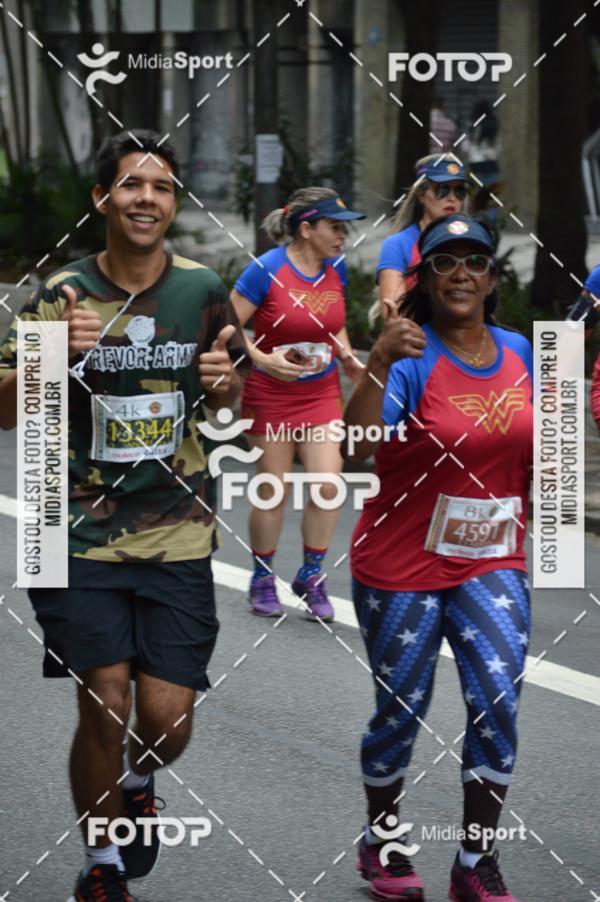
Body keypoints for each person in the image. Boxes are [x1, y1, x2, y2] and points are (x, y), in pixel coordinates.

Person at [0, 130, 248, 902]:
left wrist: (226, 386)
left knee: (166, 720)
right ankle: (101, 866)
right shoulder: (57, 294)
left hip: (177, 526)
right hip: (70, 527)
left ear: (175, 203)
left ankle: (138, 780)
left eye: (163, 187)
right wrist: (46, 353)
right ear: (102, 199)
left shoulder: (203, 287)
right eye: (132, 185)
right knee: (106, 697)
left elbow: (227, 397)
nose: (148, 198)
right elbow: (5, 412)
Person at [344, 214, 532, 902]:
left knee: (497, 697)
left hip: (492, 561)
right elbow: (357, 447)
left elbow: (551, 457)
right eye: (445, 262)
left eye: (475, 262)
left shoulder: (526, 352)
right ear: (423, 278)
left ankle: (474, 861)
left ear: (491, 278)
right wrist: (378, 359)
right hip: (401, 562)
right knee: (402, 707)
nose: (461, 274)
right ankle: (381, 840)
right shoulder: (410, 354)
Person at [230, 187, 365, 621]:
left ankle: (310, 576)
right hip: (270, 394)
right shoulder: (264, 270)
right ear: (306, 229)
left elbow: (332, 326)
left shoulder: (337, 269)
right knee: (273, 489)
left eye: (345, 228)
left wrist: (347, 355)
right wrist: (264, 360)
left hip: (321, 392)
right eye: (335, 227)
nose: (343, 236)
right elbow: (227, 327)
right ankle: (262, 576)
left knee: (328, 484)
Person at [371, 154, 469, 324]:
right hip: (417, 344)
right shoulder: (398, 244)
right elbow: (395, 318)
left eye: (459, 190)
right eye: (442, 189)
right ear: (421, 195)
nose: (452, 197)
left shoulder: (472, 243)